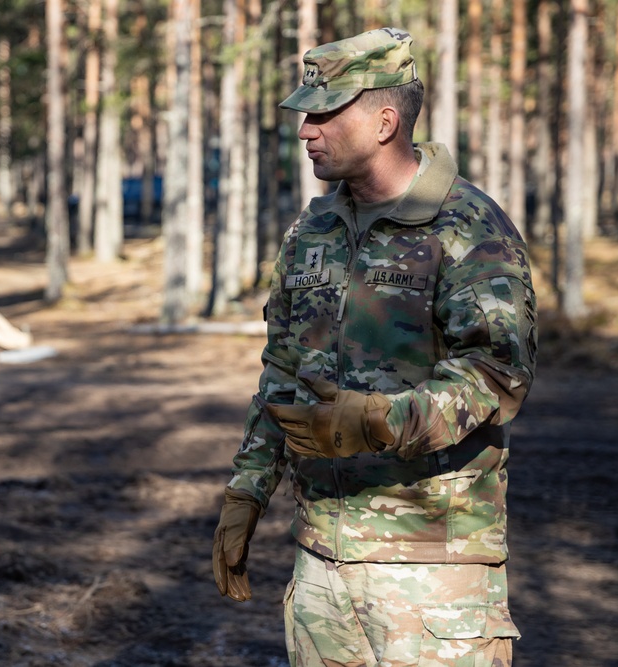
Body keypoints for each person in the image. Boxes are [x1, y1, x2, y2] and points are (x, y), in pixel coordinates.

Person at [212, 28, 537, 667]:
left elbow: (496, 375)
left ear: (385, 120)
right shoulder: (313, 230)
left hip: (432, 571)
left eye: (323, 112)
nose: (306, 130)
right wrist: (248, 490)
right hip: (321, 567)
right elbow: (282, 371)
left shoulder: (467, 226)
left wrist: (379, 421)